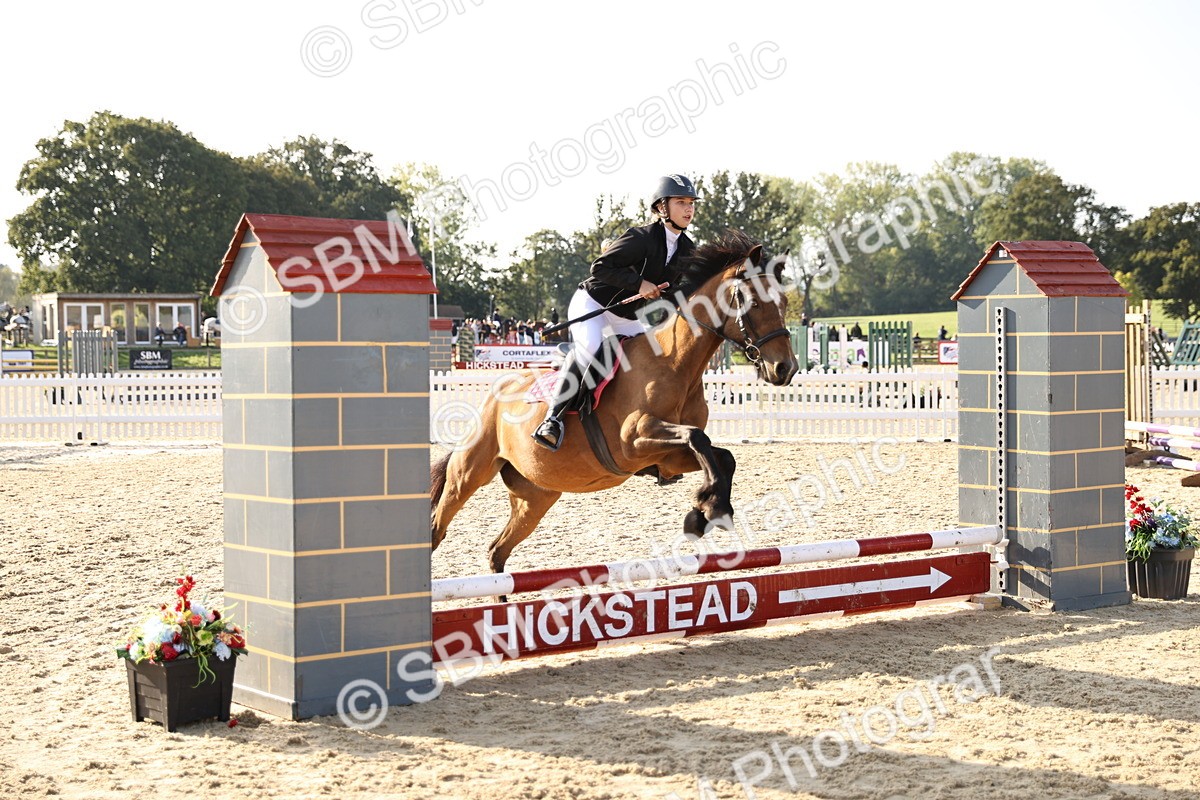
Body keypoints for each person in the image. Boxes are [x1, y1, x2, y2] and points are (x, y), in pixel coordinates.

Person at [532, 174, 698, 450]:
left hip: (628, 316)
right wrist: (640, 283)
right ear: (661, 207)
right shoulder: (640, 237)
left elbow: (681, 291)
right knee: (592, 349)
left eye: (691, 203)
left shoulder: (688, 249)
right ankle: (553, 420)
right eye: (681, 202)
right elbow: (600, 268)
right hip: (594, 303)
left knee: (654, 358)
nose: (689, 208)